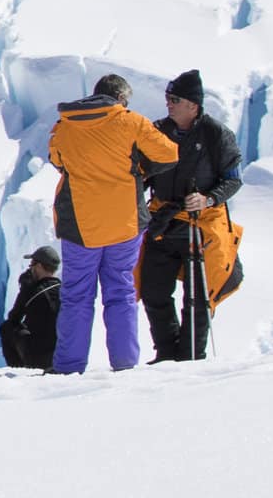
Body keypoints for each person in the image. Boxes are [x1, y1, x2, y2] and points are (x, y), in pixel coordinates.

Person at [45, 73, 180, 373]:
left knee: (77, 295)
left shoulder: (65, 125)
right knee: (121, 291)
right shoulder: (131, 122)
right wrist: (139, 169)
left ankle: (69, 367)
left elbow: (57, 159)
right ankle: (124, 363)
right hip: (125, 221)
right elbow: (169, 153)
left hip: (80, 224)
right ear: (120, 99)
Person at [137, 70, 245, 360]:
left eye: (175, 99)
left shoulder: (217, 135)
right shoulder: (157, 131)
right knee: (153, 291)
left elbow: (234, 179)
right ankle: (167, 352)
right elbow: (142, 173)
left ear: (193, 106)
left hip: (201, 225)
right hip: (163, 221)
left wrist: (208, 198)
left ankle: (190, 356)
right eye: (167, 98)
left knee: (197, 298)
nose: (168, 104)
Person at [0, 246, 63, 370]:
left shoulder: (32, 291)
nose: (30, 268)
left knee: (6, 327)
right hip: (60, 355)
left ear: (39, 266)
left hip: (38, 357)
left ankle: (19, 369)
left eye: (32, 264)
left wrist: (24, 289)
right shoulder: (63, 290)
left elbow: (14, 318)